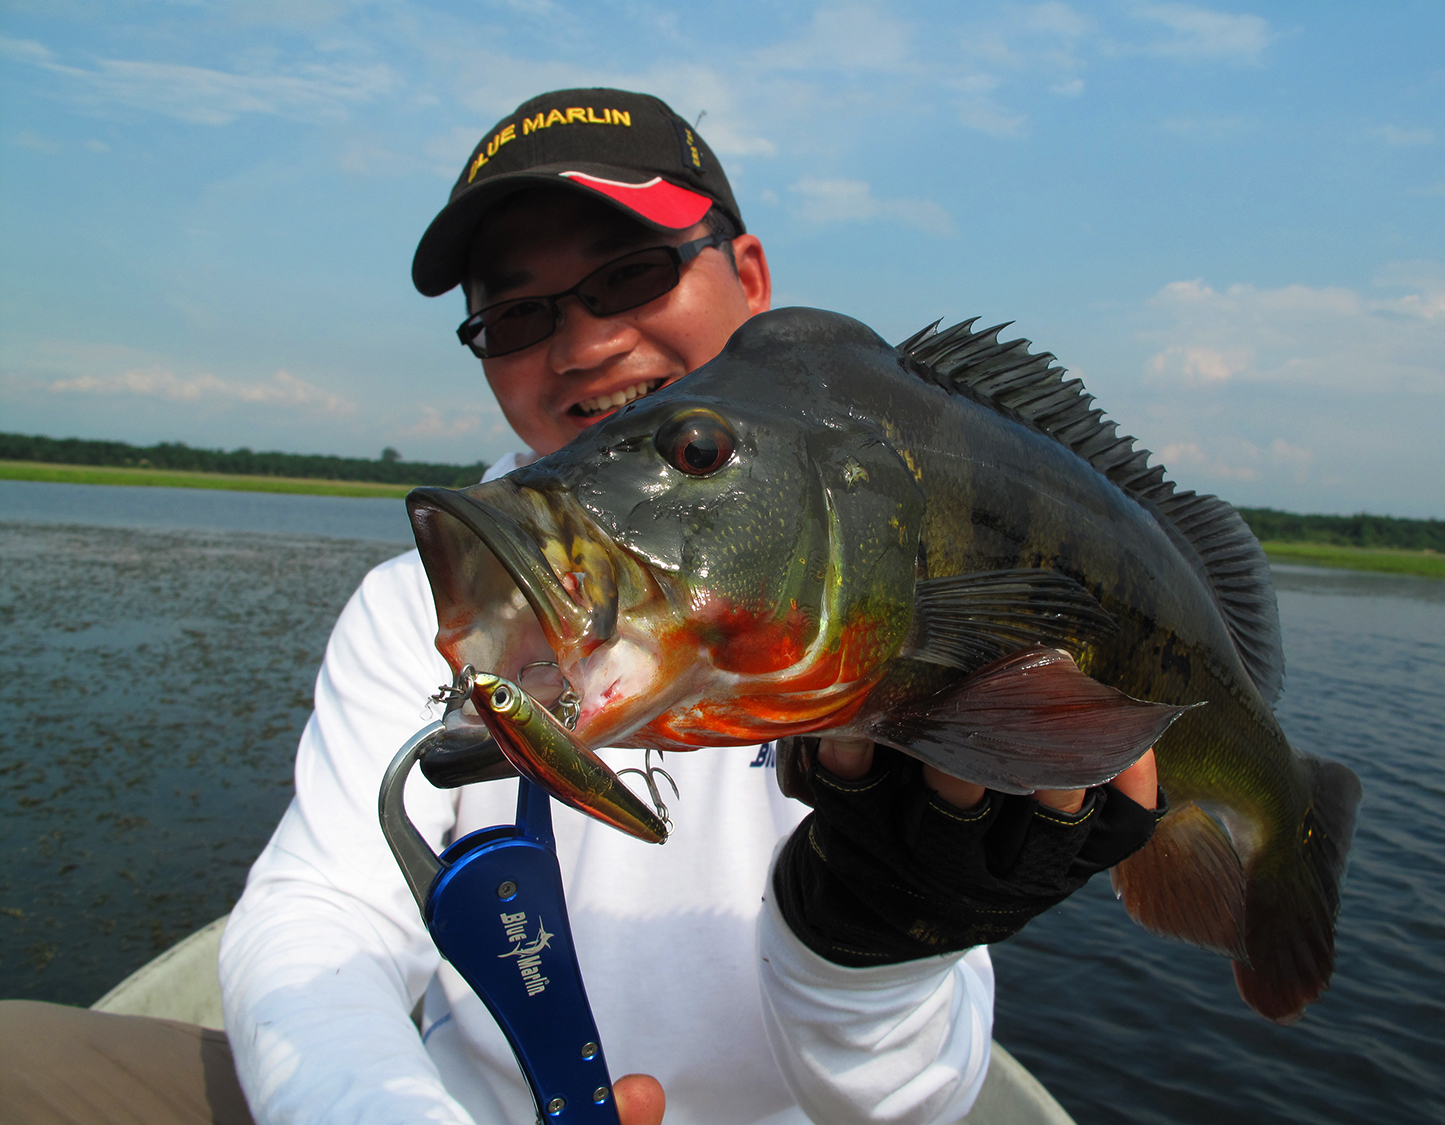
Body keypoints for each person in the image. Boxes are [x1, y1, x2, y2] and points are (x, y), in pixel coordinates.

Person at [0, 87, 1161, 1125]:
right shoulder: (414, 607)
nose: (588, 343)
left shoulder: (898, 576)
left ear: (750, 277)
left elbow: (905, 1107)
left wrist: (879, 943)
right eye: (517, 316)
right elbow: (320, 914)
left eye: (633, 274)